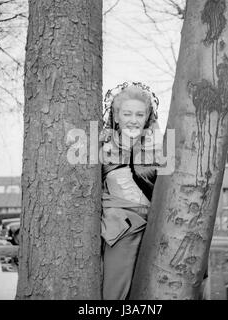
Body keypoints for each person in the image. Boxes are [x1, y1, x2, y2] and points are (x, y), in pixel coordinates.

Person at [100, 82, 162, 300]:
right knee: (115, 294)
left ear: (147, 118)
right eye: (127, 113)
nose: (133, 119)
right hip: (122, 229)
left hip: (154, 230)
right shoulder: (102, 147)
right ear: (116, 117)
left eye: (139, 114)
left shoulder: (157, 150)